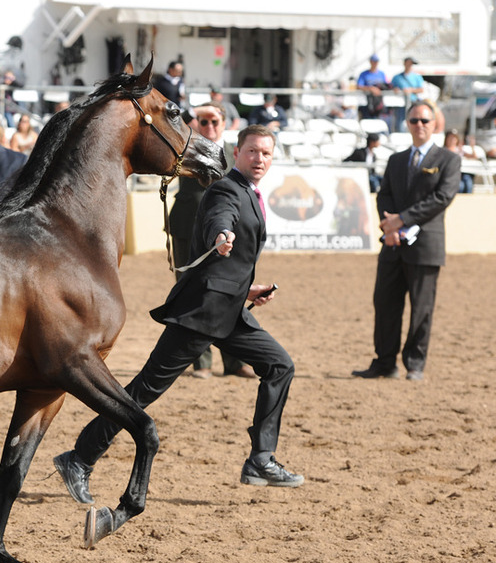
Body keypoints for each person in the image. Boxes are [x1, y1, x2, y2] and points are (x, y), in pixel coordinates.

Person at [53, 124, 303, 501]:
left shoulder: (250, 193)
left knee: (280, 366)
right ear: (237, 153)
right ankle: (79, 458)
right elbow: (222, 217)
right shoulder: (225, 189)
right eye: (252, 151)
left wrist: (247, 288)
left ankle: (261, 459)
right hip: (201, 312)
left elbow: (232, 261)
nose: (259, 159)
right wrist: (222, 236)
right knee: (143, 390)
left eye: (266, 153)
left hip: (230, 309)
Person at [352, 102, 460, 382]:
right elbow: (384, 194)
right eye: (414, 120)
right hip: (392, 243)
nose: (419, 125)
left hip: (426, 246)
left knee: (421, 308)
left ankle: (415, 363)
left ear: (435, 124)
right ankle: (384, 362)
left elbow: (442, 198)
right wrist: (389, 226)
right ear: (407, 124)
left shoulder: (448, 160)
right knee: (385, 303)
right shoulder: (396, 160)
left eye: (425, 120)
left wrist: (402, 219)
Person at [173, 103, 255, 379]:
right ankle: (201, 363)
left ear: (224, 122)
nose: (209, 127)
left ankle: (234, 361)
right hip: (187, 228)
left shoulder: (238, 154)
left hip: (228, 232)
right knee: (191, 294)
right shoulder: (183, 147)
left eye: (214, 121)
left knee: (229, 293)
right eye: (202, 121)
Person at [389, 57, 425, 133]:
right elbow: (391, 87)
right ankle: (399, 134)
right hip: (400, 104)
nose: (409, 65)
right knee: (400, 120)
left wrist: (411, 90)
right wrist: (396, 89)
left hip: (413, 102)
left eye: (411, 64)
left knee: (413, 119)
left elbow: (421, 89)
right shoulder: (397, 77)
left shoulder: (417, 76)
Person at [357, 54, 389, 125]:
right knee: (367, 123)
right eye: (373, 61)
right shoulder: (364, 74)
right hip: (367, 103)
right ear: (370, 62)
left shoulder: (381, 74)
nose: (375, 63)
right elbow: (359, 86)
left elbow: (387, 85)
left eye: (376, 61)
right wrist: (370, 88)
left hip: (378, 104)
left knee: (378, 123)